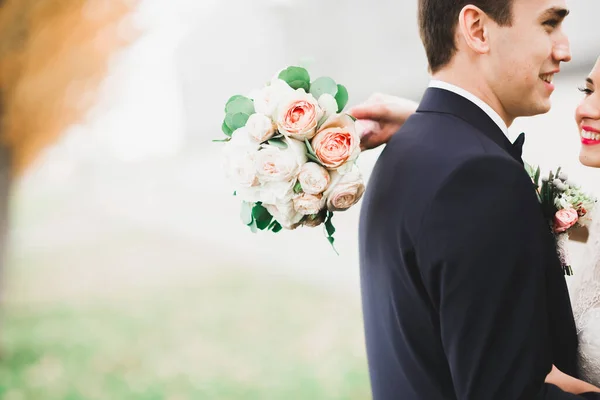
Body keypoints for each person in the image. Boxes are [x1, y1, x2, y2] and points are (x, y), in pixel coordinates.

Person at [351, 0, 600, 398]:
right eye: (549, 24)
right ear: (478, 30)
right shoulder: (479, 177)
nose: (565, 50)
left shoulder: (411, 149)